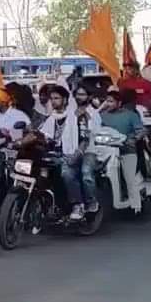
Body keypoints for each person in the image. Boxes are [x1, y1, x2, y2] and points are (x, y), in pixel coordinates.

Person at [39, 85, 101, 220]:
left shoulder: (78, 115)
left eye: (56, 98)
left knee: (75, 174)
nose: (53, 101)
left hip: (80, 153)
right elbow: (43, 135)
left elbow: (85, 138)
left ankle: (81, 204)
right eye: (52, 98)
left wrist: (77, 154)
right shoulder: (52, 118)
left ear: (65, 100)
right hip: (61, 154)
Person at [99, 88, 146, 212]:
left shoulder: (131, 115)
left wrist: (134, 139)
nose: (108, 104)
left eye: (111, 101)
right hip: (107, 151)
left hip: (127, 150)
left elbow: (141, 130)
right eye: (107, 101)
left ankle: (136, 206)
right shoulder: (101, 116)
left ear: (119, 103)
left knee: (129, 178)